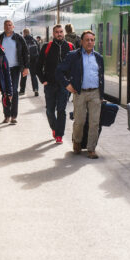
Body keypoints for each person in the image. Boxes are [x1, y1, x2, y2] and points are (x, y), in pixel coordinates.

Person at [56, 30, 105, 159]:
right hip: (80, 93)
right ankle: (77, 141)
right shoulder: (73, 56)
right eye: (87, 40)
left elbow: (101, 77)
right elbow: (59, 71)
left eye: (92, 40)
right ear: (82, 42)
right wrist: (67, 85)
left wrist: (101, 95)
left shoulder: (99, 57)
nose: (90, 42)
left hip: (95, 93)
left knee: (94, 122)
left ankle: (91, 149)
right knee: (79, 121)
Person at [37, 24, 74, 143]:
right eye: (57, 32)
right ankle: (54, 128)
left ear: (64, 33)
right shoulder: (46, 47)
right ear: (53, 34)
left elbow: (75, 66)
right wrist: (43, 80)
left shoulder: (70, 46)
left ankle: (59, 135)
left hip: (64, 85)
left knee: (62, 110)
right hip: (50, 84)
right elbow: (38, 66)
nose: (59, 34)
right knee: (50, 110)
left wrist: (71, 81)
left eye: (61, 32)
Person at [0, 19, 29, 124]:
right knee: (5, 91)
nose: (8, 27)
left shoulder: (19, 38)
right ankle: (7, 115)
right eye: (6, 25)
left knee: (14, 91)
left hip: (15, 68)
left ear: (13, 27)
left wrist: (26, 67)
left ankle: (13, 116)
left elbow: (25, 53)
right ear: (3, 26)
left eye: (10, 25)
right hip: (3, 68)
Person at [19, 28, 40, 96]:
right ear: (29, 33)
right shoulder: (34, 40)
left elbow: (20, 52)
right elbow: (39, 51)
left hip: (25, 61)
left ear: (24, 33)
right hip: (34, 60)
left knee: (24, 75)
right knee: (33, 75)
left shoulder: (22, 40)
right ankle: (36, 89)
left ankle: (22, 91)